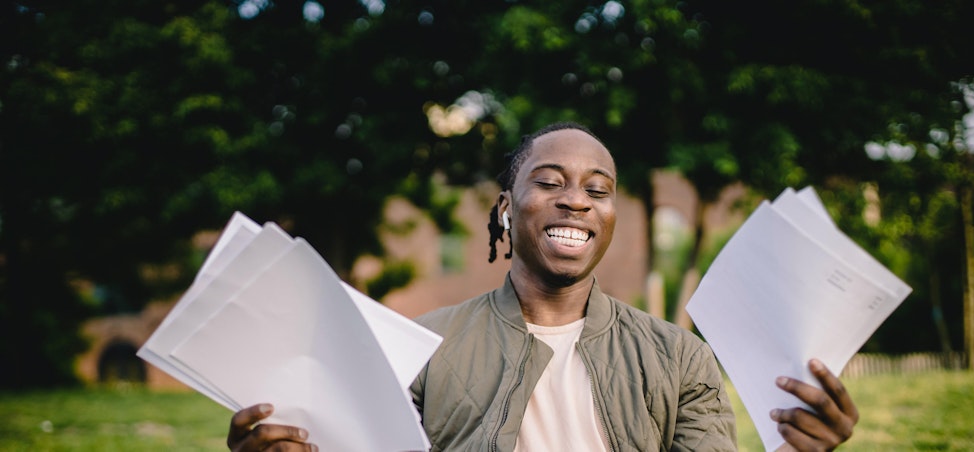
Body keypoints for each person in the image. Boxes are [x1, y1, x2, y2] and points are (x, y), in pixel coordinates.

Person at [226, 122, 859, 451]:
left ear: (611, 216)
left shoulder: (680, 359)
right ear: (506, 208)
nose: (576, 201)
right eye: (550, 181)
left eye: (597, 189)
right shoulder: (420, 347)